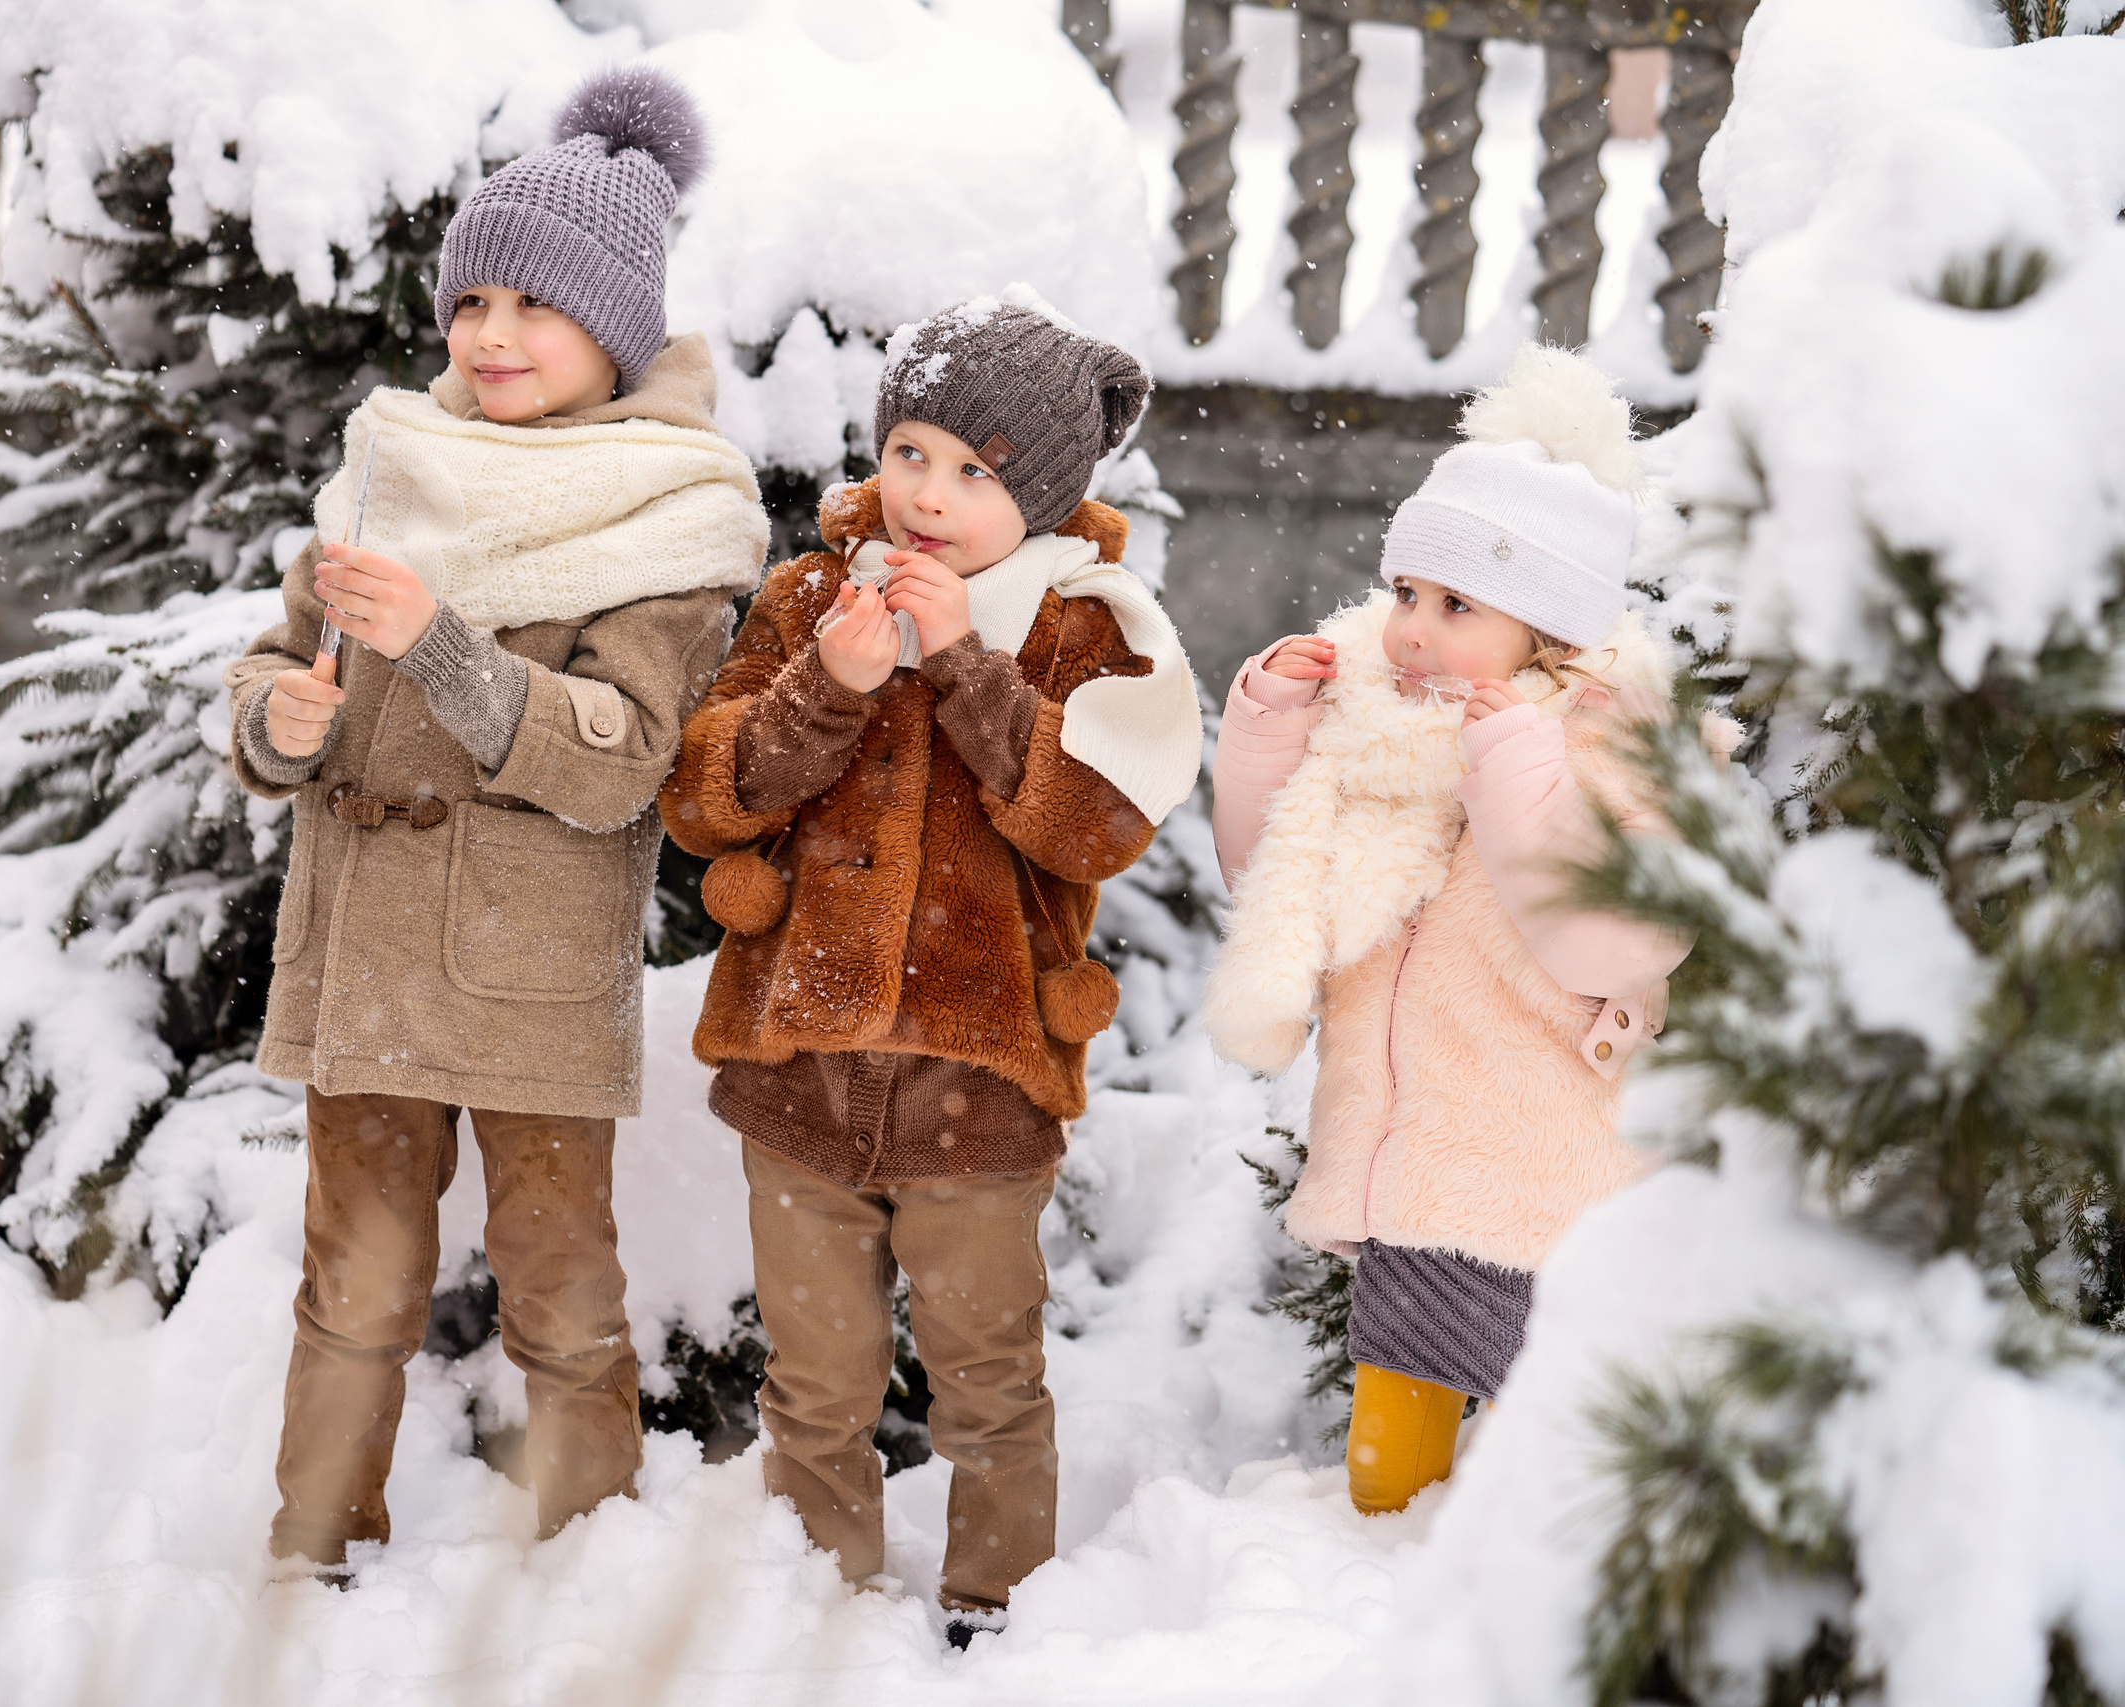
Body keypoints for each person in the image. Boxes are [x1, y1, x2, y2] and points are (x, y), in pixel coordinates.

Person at [222, 66, 767, 1578]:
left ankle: (587, 1554)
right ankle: (314, 1544)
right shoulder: (396, 468)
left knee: (560, 1284)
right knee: (353, 1283)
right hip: (364, 963)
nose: (492, 334)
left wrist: (445, 646)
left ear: (618, 331)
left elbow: (620, 758)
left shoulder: (667, 511)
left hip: (527, 968)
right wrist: (275, 721)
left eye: (536, 305)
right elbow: (278, 660)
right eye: (472, 301)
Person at [659, 291, 1203, 1647]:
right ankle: (819, 1608)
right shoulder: (810, 598)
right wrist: (826, 688)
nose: (931, 494)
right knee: (815, 1382)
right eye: (911, 451)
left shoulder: (1084, 629)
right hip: (801, 1068)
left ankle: (995, 1611)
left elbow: (1091, 824)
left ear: (1045, 494)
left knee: (988, 1379)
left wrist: (962, 659)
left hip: (981, 1083)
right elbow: (705, 798)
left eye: (976, 471)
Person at [1202, 346, 1696, 1516]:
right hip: (1411, 1166)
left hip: (1539, 1176)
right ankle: (1379, 1583)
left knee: (1549, 1461)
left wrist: (1513, 763)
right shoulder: (1376, 725)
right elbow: (1269, 876)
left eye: (1457, 605)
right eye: (1408, 594)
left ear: (1551, 631)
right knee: (1393, 1455)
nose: (1413, 630)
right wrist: (1270, 729)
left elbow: (1612, 940)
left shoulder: (1613, 749)